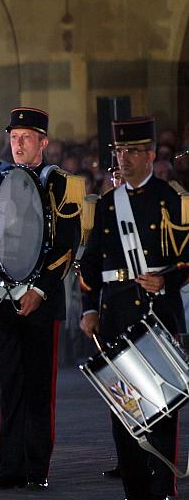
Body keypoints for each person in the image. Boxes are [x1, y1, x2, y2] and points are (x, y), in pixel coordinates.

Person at [79, 116, 188, 500]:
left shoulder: (171, 198)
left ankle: (162, 489)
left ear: (150, 155)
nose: (123, 159)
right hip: (116, 318)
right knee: (125, 412)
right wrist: (88, 308)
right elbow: (89, 265)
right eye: (118, 152)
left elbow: (187, 257)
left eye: (131, 152)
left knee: (160, 409)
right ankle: (135, 491)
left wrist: (168, 279)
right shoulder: (108, 204)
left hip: (156, 316)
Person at [0, 108, 83, 490]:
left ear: (43, 142)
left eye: (26, 137)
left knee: (39, 390)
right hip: (3, 297)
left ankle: (36, 469)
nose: (18, 143)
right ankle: (9, 467)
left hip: (40, 301)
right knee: (7, 387)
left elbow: (67, 245)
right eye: (14, 136)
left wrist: (39, 289)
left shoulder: (60, 183)